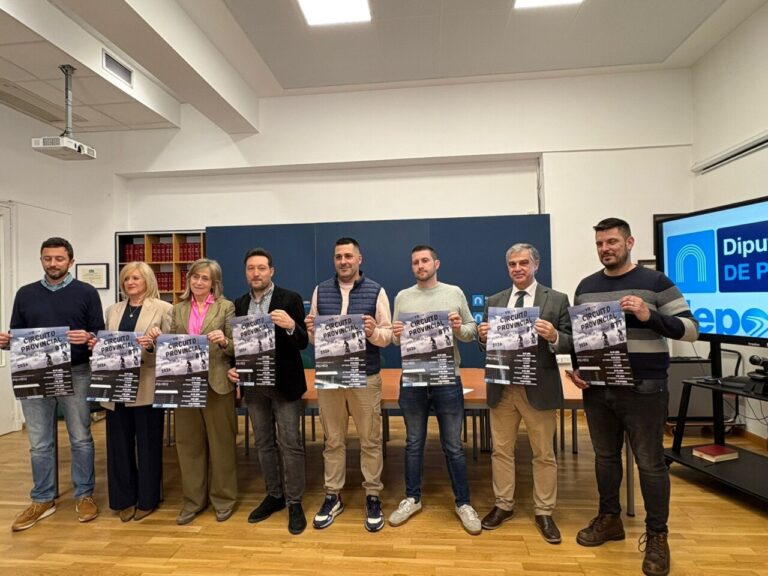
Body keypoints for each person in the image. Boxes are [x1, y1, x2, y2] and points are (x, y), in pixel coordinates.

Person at [570, 218, 699, 576]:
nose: (605, 249)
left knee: (650, 465)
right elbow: (585, 338)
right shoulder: (586, 287)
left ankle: (657, 536)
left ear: (630, 242)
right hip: (599, 389)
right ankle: (609, 518)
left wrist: (648, 314)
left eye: (612, 242)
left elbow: (691, 329)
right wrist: (580, 369)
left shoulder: (656, 283)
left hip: (645, 389)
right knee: (605, 458)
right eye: (599, 243)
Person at [0, 237, 104, 531]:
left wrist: (89, 337)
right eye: (48, 258)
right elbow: (18, 334)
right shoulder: (25, 294)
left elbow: (98, 333)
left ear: (71, 261)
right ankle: (43, 498)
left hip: (76, 372)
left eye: (59, 258)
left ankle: (84, 495)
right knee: (39, 442)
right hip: (34, 374)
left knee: (81, 438)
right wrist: (7, 342)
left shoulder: (86, 292)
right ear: (41, 260)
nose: (53, 264)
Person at [477, 243, 573, 544]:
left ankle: (544, 511)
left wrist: (555, 336)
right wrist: (482, 338)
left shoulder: (556, 300)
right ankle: (503, 505)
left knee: (543, 453)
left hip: (538, 388)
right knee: (501, 451)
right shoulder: (495, 300)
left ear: (535, 265)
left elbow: (572, 341)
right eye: (512, 264)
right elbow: (487, 348)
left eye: (523, 263)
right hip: (503, 387)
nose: (517, 268)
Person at [389, 245, 481, 535]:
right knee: (413, 443)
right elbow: (394, 341)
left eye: (425, 260)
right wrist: (396, 334)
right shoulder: (403, 296)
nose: (420, 265)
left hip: (446, 378)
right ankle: (412, 498)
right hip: (413, 379)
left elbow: (471, 331)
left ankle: (463, 503)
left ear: (436, 263)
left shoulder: (454, 292)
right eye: (415, 262)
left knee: (453, 445)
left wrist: (457, 328)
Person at [305, 237, 392, 532]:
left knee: (370, 439)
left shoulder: (376, 290)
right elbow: (316, 339)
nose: (343, 261)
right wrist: (311, 331)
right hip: (331, 377)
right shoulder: (320, 290)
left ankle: (372, 495)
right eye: (338, 257)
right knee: (333, 439)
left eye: (348, 256)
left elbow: (388, 335)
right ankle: (333, 494)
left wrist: (371, 332)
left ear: (359, 259)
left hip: (365, 376)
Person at [227, 248, 309, 535]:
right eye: (251, 268)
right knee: (263, 443)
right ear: (246, 272)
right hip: (253, 385)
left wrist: (290, 326)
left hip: (285, 384)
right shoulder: (239, 303)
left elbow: (303, 342)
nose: (256, 273)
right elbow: (239, 344)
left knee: (291, 444)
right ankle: (274, 495)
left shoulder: (290, 298)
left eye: (261, 268)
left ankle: (295, 501)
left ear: (271, 271)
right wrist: (233, 367)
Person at [95, 262, 172, 522]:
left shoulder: (164, 309)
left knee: (148, 445)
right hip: (115, 386)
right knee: (118, 445)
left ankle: (148, 498)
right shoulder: (113, 310)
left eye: (136, 278)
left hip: (146, 384)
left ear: (148, 280)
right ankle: (123, 499)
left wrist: (153, 344)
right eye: (126, 278)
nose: (130, 282)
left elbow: (171, 350)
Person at [169, 258, 237, 525]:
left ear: (214, 283)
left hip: (217, 384)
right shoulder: (177, 309)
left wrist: (223, 342)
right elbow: (170, 342)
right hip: (184, 384)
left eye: (205, 278)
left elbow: (235, 346)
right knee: (189, 446)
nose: (199, 282)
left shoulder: (226, 307)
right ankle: (193, 501)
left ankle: (224, 499)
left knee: (221, 446)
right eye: (195, 277)